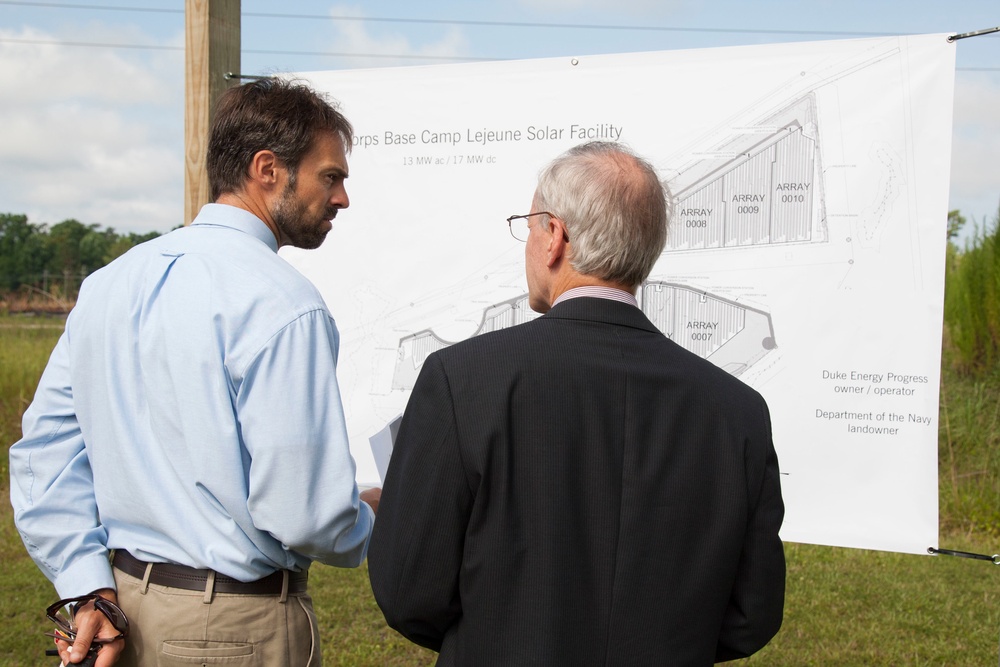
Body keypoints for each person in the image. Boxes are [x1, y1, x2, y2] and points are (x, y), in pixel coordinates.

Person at [367, 141, 785, 665]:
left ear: (555, 237)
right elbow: (752, 612)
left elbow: (410, 590)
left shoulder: (461, 380)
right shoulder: (738, 411)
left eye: (530, 225)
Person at [9, 78, 380, 667]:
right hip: (235, 628)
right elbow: (306, 516)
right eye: (330, 176)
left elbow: (43, 457)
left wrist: (90, 589)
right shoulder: (284, 304)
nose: (342, 199)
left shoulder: (107, 286)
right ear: (267, 169)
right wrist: (373, 516)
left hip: (119, 613)